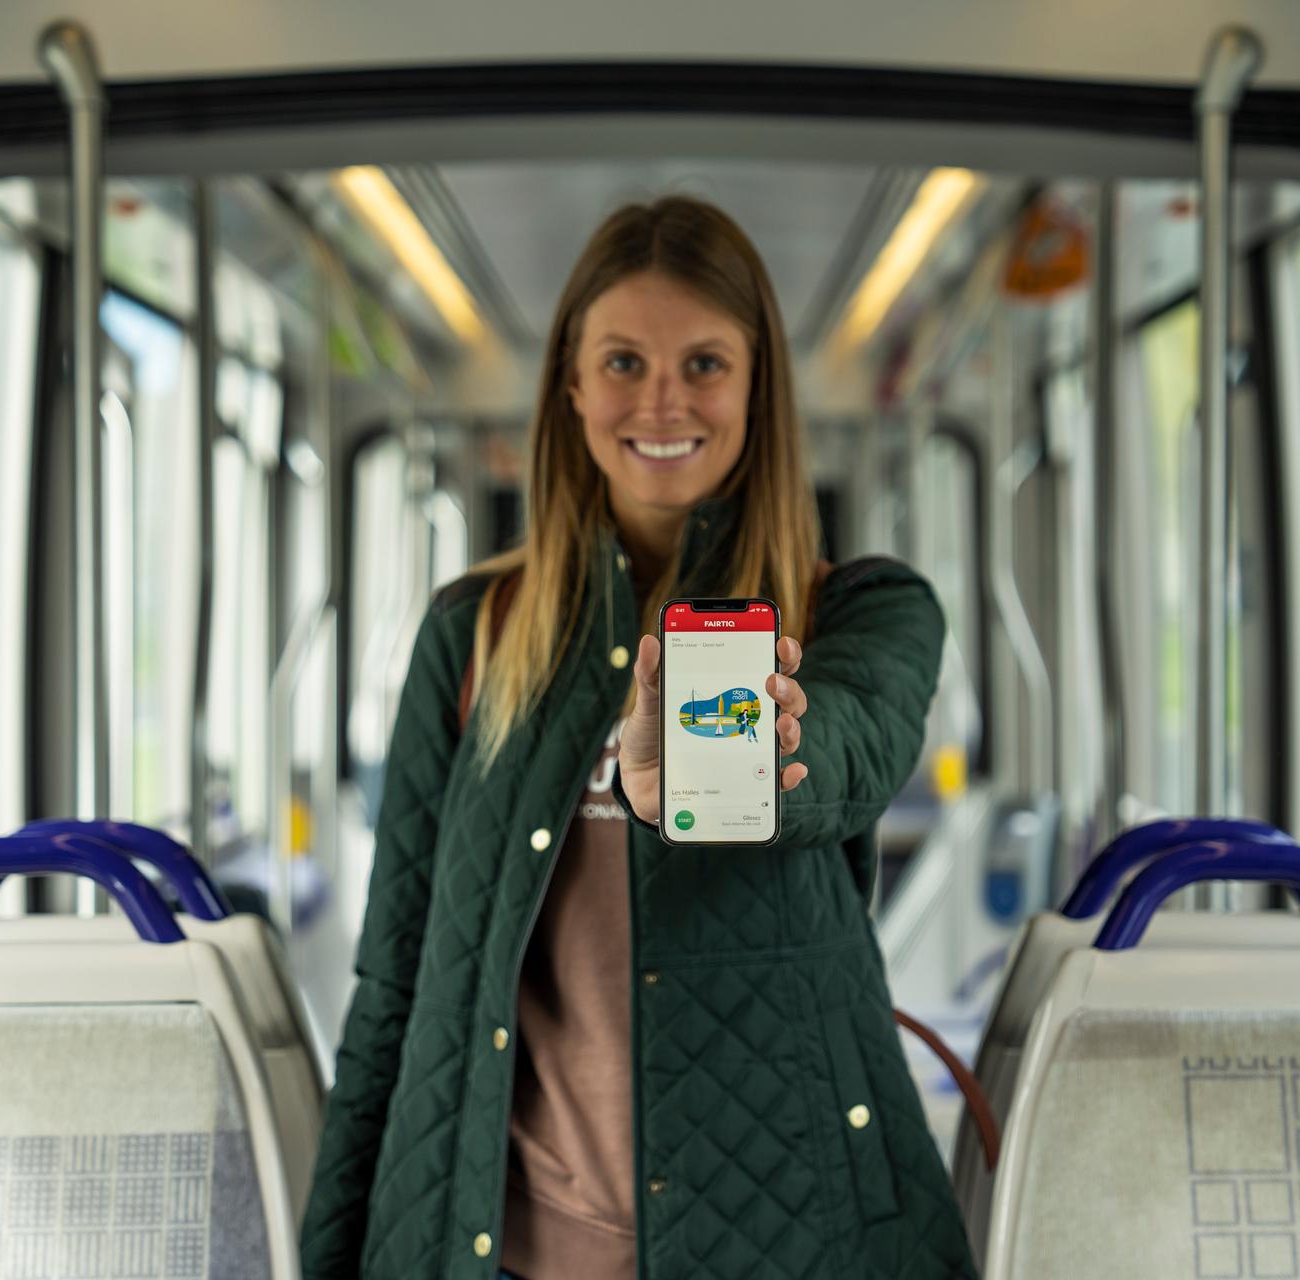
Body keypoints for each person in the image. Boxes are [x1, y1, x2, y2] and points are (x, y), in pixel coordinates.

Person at [298, 195, 977, 1280]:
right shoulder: (473, 635)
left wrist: (738, 765)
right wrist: (329, 1250)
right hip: (501, 1247)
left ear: (759, 390)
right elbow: (396, 983)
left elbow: (845, 748)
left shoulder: (860, 611)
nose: (663, 399)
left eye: (706, 362)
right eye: (623, 361)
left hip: (789, 1238)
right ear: (571, 386)